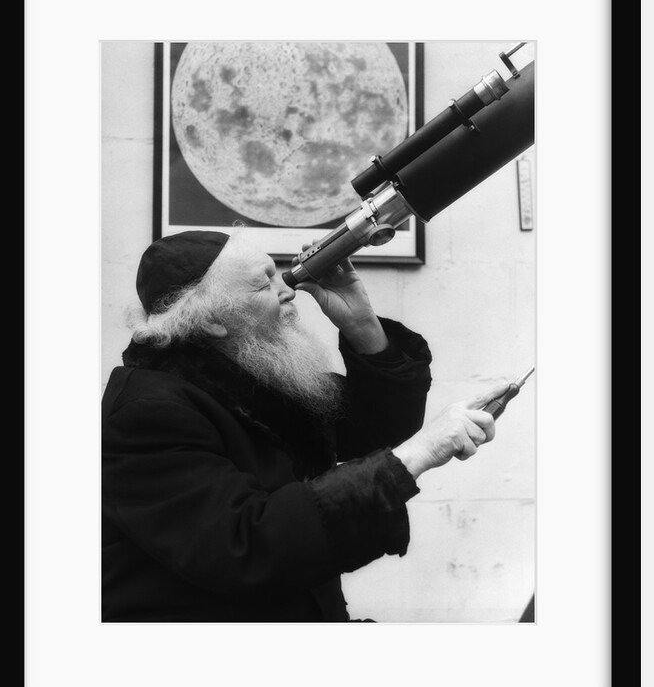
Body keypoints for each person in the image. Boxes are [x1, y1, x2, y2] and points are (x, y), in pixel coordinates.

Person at [102, 229, 504, 622]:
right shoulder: (145, 412)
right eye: (264, 285)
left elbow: (376, 431)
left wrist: (360, 323)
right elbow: (245, 545)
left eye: (276, 273)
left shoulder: (247, 373)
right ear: (213, 322)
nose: (289, 289)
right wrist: (420, 452)